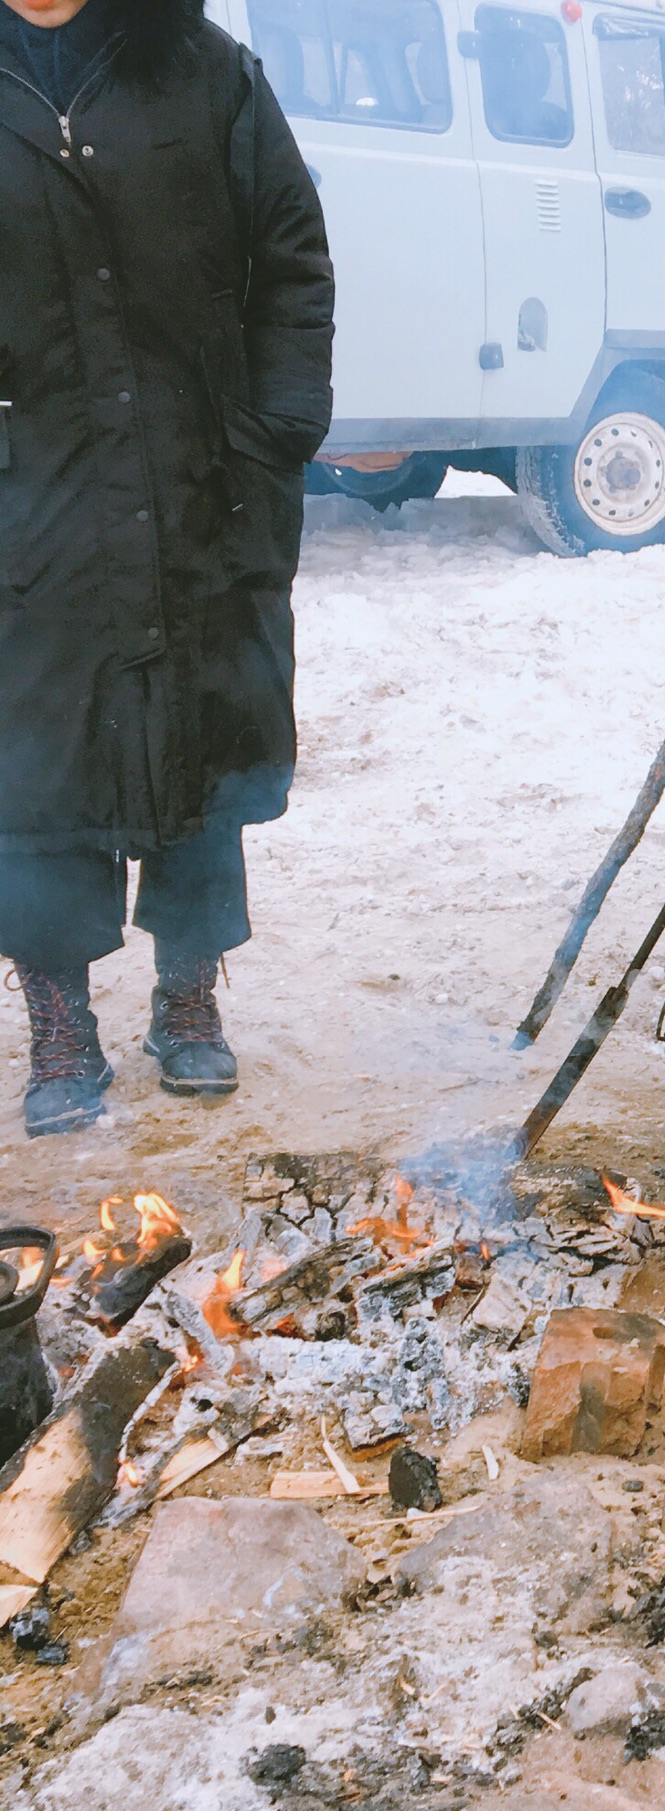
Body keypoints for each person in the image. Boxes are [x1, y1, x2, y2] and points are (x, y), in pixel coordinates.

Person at [0, 0, 333, 1136]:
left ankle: (188, 995)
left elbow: (292, 257)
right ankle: (58, 1022)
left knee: (204, 740)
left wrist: (275, 428)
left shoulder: (204, 72)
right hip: (29, 504)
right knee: (37, 766)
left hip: (203, 481)